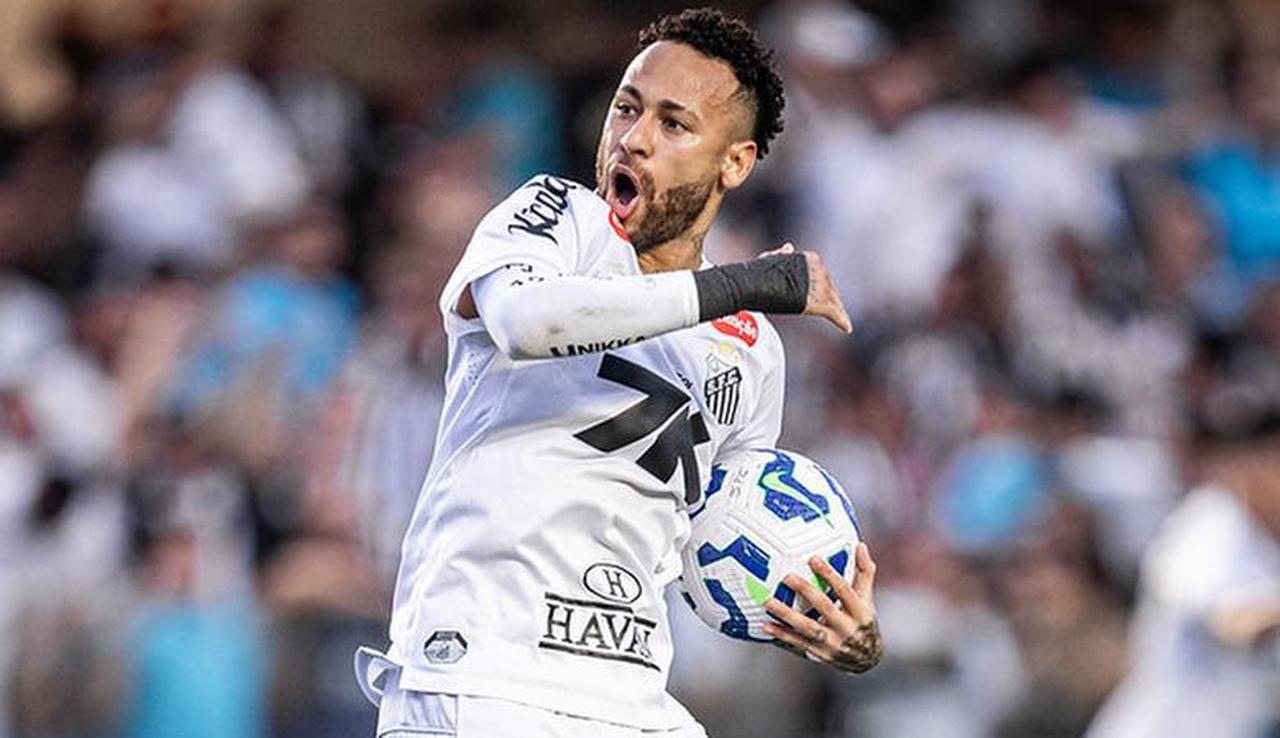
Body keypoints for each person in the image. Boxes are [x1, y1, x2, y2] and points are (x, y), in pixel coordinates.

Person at [355, 9, 883, 737]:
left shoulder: (752, 349)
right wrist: (741, 284)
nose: (633, 138)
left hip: (629, 698)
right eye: (627, 108)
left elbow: (721, 535)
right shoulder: (555, 219)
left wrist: (823, 618)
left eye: (674, 124)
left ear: (734, 163)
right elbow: (527, 323)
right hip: (480, 676)